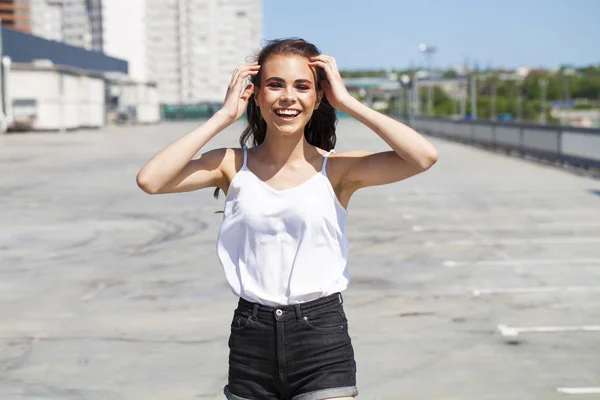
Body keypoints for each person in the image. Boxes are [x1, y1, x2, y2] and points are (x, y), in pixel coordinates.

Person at [136, 38, 438, 400]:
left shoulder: (337, 170)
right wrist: (223, 116)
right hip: (251, 338)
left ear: (318, 96)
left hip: (321, 339)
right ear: (257, 94)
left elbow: (423, 157)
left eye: (302, 86)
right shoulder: (231, 165)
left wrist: (348, 103)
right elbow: (151, 180)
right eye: (275, 84)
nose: (288, 97)